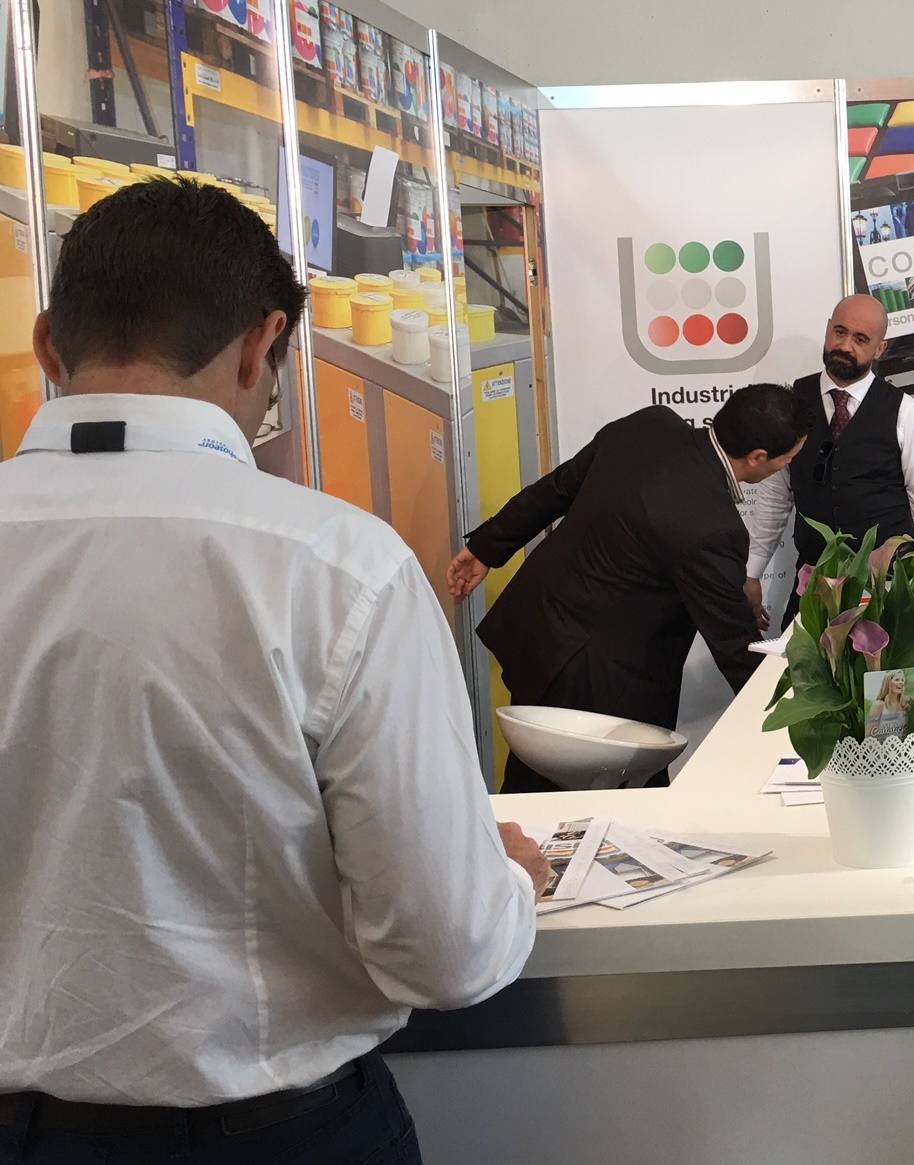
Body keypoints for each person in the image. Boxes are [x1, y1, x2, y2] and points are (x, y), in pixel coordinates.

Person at [0, 178, 547, 1163]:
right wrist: (501, 877)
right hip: (277, 1135)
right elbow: (446, 950)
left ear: (48, 345)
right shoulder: (340, 567)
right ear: (262, 345)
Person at [448, 387, 814, 794]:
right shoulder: (714, 527)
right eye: (787, 459)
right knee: (572, 799)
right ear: (758, 457)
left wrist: (486, 547)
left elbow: (558, 488)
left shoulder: (650, 425)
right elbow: (735, 647)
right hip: (596, 682)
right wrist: (806, 719)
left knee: (535, 782)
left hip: (541, 633)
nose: (787, 466)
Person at [744, 294, 914, 630]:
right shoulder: (791, 405)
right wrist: (751, 573)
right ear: (827, 329)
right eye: (840, 332)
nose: (845, 346)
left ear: (880, 349)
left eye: (860, 339)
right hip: (813, 589)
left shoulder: (906, 412)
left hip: (888, 592)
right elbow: (774, 501)